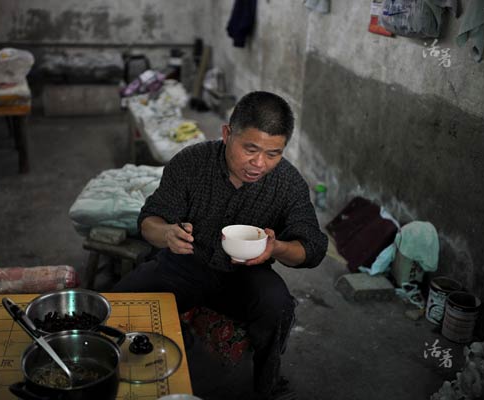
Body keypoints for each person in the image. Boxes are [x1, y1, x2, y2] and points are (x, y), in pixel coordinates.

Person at [113, 91, 328, 399]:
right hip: (185, 265)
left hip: (245, 276)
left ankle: (266, 384)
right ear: (227, 134)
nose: (259, 163)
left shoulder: (288, 183)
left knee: (276, 304)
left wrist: (276, 247)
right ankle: (115, 373)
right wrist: (168, 234)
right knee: (118, 303)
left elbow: (313, 247)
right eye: (250, 149)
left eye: (273, 153)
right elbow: (150, 220)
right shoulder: (192, 162)